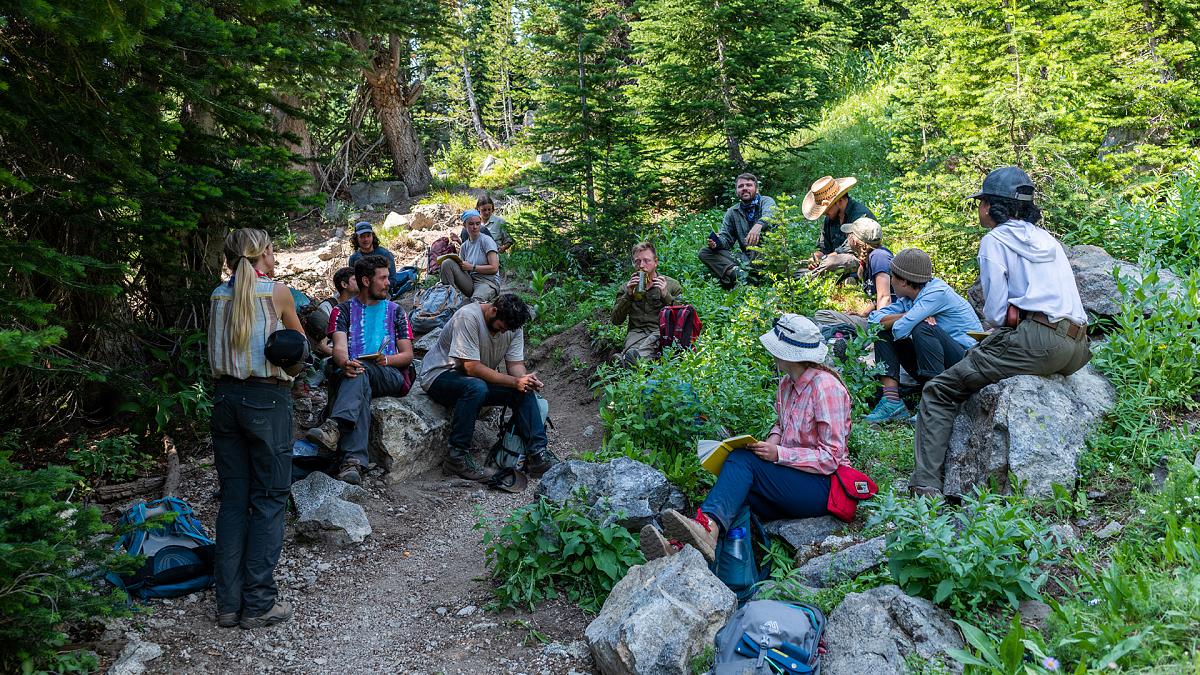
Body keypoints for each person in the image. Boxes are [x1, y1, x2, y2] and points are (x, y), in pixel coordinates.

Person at [909, 166, 1091, 498]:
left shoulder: (994, 240)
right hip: (1077, 347)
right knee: (978, 359)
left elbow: (994, 313)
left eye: (981, 202)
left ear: (995, 207)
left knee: (939, 390)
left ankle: (925, 489)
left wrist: (1009, 320)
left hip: (1040, 342)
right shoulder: (1046, 239)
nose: (979, 209)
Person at [640, 315, 851, 562]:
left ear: (789, 354)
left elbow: (832, 458)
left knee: (742, 461)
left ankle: (704, 531)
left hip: (823, 486)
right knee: (735, 488)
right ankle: (682, 549)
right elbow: (781, 424)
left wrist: (779, 454)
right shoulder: (786, 384)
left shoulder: (826, 388)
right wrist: (772, 441)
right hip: (793, 476)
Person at [207, 228, 302, 630]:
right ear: (263, 252)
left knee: (233, 501)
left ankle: (228, 604)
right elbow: (298, 349)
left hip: (225, 400)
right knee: (269, 498)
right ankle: (259, 602)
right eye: (272, 247)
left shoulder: (217, 295)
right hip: (266, 400)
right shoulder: (278, 293)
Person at [419, 294, 559, 481]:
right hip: (441, 375)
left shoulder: (513, 327)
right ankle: (456, 458)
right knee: (476, 387)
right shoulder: (468, 317)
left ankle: (538, 455)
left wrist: (524, 379)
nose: (502, 333)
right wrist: (514, 382)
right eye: (501, 328)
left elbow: (515, 364)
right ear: (494, 310)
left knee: (522, 391)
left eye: (507, 330)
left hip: (477, 380)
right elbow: (471, 367)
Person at [305, 255, 415, 485]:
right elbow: (339, 348)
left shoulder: (396, 311)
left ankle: (335, 426)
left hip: (389, 373)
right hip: (354, 372)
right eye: (383, 278)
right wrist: (345, 362)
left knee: (360, 371)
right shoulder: (342, 311)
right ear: (366, 280)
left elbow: (407, 355)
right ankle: (353, 463)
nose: (388, 283)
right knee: (358, 377)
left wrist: (387, 359)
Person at [863, 248, 982, 423]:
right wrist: (907, 315)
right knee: (883, 330)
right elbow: (873, 322)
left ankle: (934, 404)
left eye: (892, 276)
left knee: (922, 327)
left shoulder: (936, 293)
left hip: (964, 364)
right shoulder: (909, 298)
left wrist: (912, 319)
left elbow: (900, 330)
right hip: (942, 366)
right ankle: (891, 402)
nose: (891, 281)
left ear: (903, 281)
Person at [811, 217, 893, 340]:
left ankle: (855, 338)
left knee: (823, 316)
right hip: (881, 318)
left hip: (889, 322)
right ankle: (851, 335)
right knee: (821, 315)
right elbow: (879, 297)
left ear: (854, 240)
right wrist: (863, 314)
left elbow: (885, 297)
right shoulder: (869, 258)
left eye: (850, 234)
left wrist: (877, 336)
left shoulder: (879, 257)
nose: (847, 237)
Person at [699, 173, 777, 289]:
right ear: (736, 192)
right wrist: (717, 243)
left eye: (749, 185)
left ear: (756, 188)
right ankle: (740, 276)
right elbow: (727, 240)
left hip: (770, 257)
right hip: (746, 259)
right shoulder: (732, 212)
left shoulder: (766, 201)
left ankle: (741, 280)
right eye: (740, 186)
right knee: (705, 252)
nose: (744, 188)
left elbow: (771, 214)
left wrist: (759, 225)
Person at [611, 242, 682, 363]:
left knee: (651, 344)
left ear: (656, 262)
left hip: (660, 331)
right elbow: (616, 320)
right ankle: (632, 359)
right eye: (637, 261)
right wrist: (628, 295)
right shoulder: (626, 287)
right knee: (632, 349)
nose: (641, 265)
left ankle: (625, 361)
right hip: (636, 333)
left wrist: (665, 295)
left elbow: (682, 317)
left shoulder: (671, 285)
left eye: (646, 260)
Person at [801, 175, 875, 278]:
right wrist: (816, 257)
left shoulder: (860, 215)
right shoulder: (829, 219)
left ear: (839, 201)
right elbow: (824, 248)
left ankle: (807, 278)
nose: (824, 213)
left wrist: (828, 258)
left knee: (831, 263)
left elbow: (854, 248)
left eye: (827, 209)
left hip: (860, 259)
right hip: (833, 261)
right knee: (810, 265)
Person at [442, 209, 501, 303]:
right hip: (470, 282)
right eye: (471, 224)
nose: (475, 227)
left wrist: (472, 267)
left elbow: (494, 268)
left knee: (475, 302)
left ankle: (482, 297)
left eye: (478, 224)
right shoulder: (464, 246)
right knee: (447, 263)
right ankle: (447, 298)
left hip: (488, 282)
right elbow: (462, 269)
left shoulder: (486, 241)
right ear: (464, 225)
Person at [347, 221, 406, 297]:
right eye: (362, 237)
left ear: (372, 236)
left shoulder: (384, 254)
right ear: (356, 239)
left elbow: (393, 280)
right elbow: (353, 281)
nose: (366, 239)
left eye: (368, 236)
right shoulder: (354, 258)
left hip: (383, 292)